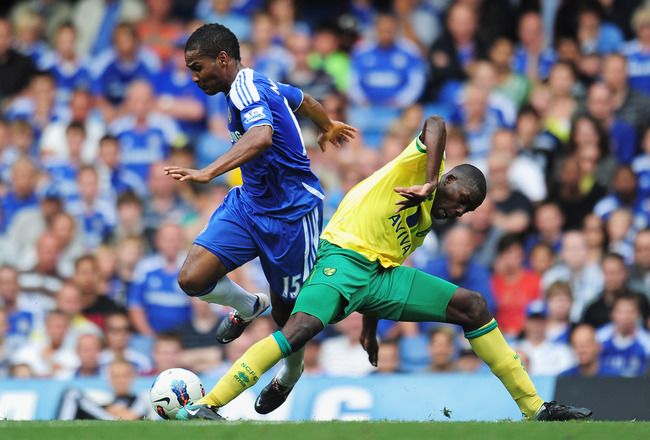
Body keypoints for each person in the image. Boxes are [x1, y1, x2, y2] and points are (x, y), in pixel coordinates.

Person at [177, 116, 590, 421]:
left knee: (473, 305)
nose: (459, 210)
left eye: (468, 209)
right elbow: (436, 124)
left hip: (378, 278)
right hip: (339, 258)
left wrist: (371, 330)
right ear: (445, 178)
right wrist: (428, 179)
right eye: (460, 197)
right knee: (298, 331)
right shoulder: (416, 169)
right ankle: (210, 404)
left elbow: (386, 259)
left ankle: (535, 408)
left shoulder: (425, 220)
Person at [163, 23, 356, 400]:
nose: (194, 77)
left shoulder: (245, 89)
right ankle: (249, 305)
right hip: (250, 203)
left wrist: (207, 171)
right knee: (191, 279)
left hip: (292, 214)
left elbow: (261, 135)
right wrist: (326, 123)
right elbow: (300, 98)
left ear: (222, 59)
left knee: (290, 319)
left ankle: (291, 374)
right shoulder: (253, 82)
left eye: (197, 67)